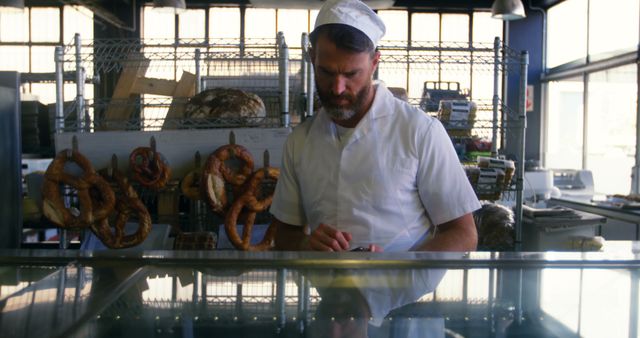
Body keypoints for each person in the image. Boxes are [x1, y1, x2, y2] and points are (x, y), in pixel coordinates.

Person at [270, 0, 480, 252]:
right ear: (312, 58)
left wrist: (395, 270)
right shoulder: (300, 141)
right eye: (326, 72)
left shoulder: (420, 132)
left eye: (351, 74)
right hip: (329, 290)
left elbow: (464, 234)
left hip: (404, 290)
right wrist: (307, 244)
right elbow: (284, 233)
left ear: (374, 63)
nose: (337, 88)